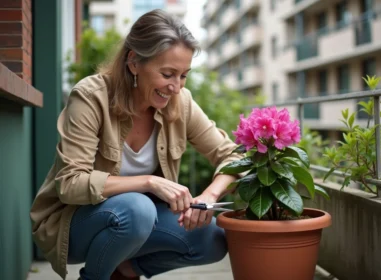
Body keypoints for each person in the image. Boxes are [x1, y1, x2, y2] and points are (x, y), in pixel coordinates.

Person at [30, 9, 242, 280]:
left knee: (211, 239)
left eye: (183, 75)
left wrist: (210, 196)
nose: (176, 87)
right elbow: (70, 184)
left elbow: (233, 156)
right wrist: (149, 182)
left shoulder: (181, 102)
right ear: (133, 63)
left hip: (137, 222)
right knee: (138, 208)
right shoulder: (90, 97)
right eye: (167, 74)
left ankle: (126, 271)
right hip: (73, 223)